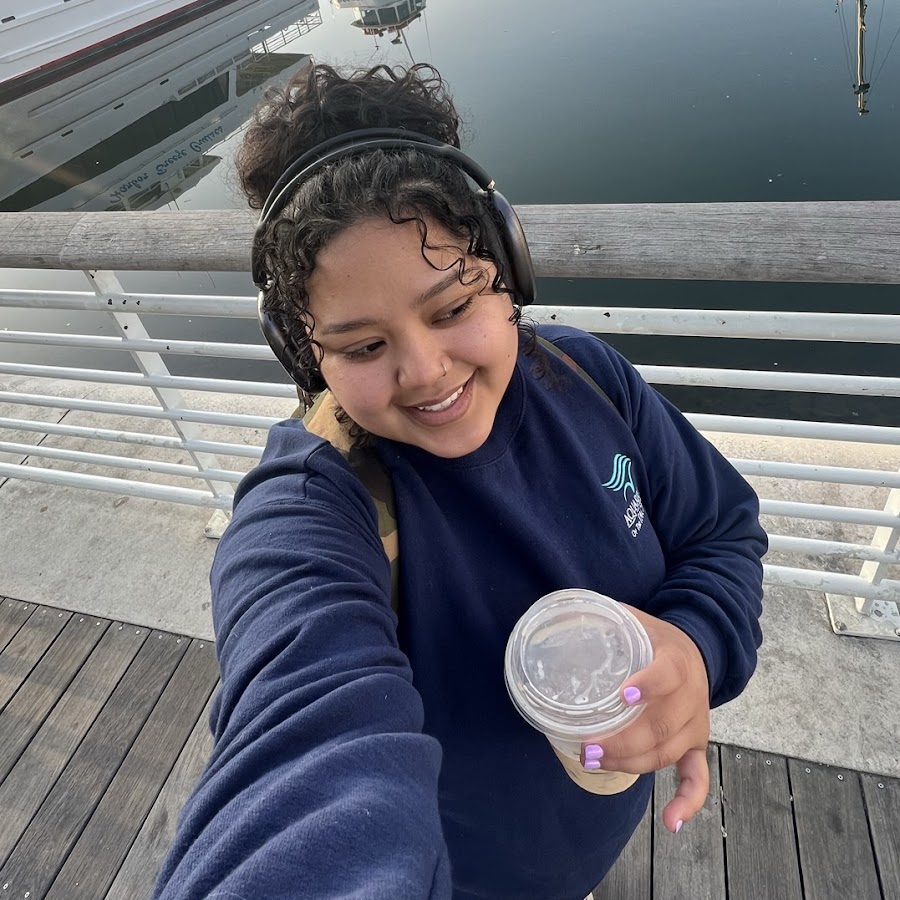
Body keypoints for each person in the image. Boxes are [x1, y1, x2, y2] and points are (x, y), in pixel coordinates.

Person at [153, 63, 766, 900]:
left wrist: (696, 645)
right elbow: (299, 748)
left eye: (452, 309)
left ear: (506, 270)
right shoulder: (309, 513)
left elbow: (719, 530)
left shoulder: (588, 378)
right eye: (363, 347)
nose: (426, 371)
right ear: (305, 351)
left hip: (589, 831)